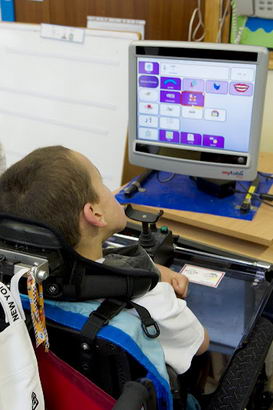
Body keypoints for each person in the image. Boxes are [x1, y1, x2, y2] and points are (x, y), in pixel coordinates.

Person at [0, 145, 209, 375]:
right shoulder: (153, 300)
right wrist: (159, 285)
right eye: (102, 182)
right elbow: (201, 344)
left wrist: (151, 269)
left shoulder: (13, 288)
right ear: (96, 214)